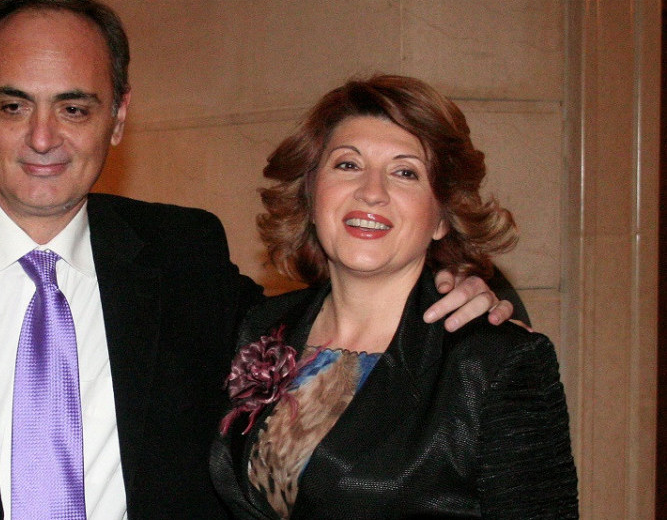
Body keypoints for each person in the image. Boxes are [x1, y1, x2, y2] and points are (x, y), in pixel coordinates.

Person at [0, 0, 519, 520]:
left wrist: (457, 285)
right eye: (12, 105)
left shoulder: (182, 254)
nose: (42, 137)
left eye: (74, 106)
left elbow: (324, 324)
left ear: (118, 118)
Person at [210, 75, 577, 519]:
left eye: (405, 173)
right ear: (310, 192)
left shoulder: (493, 361)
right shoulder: (261, 327)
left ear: (442, 217)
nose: (371, 192)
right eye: (348, 165)